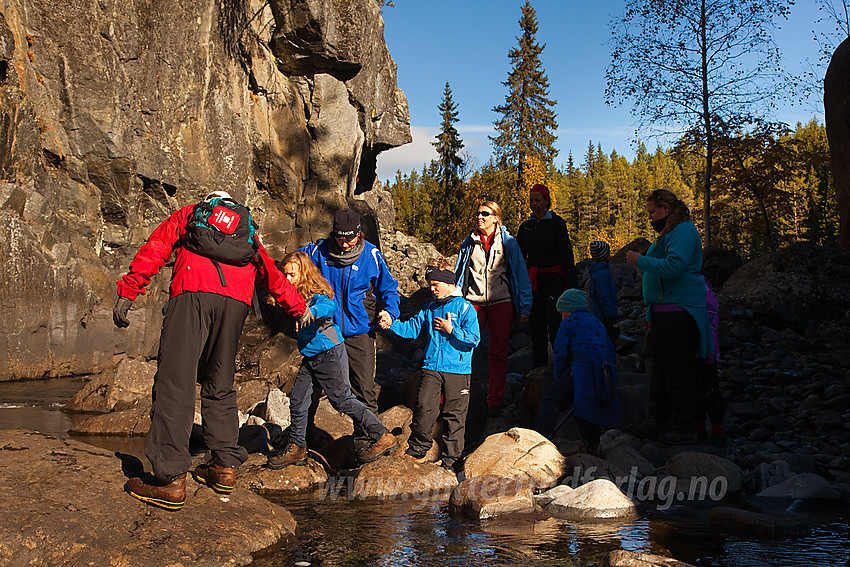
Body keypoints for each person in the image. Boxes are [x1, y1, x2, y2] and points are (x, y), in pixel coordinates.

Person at [113, 190, 306, 511]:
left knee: (176, 382)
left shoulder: (192, 213)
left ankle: (170, 479)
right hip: (235, 304)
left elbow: (158, 246)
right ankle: (224, 465)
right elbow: (269, 270)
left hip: (191, 292)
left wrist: (130, 289)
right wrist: (297, 306)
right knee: (220, 383)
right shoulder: (247, 229)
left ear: (210, 202)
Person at [267, 251, 397, 469]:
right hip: (311, 354)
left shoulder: (317, 292)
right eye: (286, 275)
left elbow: (329, 307)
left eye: (292, 275)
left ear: (304, 274)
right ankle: (297, 446)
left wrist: (310, 312)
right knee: (299, 400)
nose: (288, 279)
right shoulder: (293, 293)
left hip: (329, 351)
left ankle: (382, 435)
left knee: (342, 399)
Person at [300, 209, 400, 457]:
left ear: (359, 234)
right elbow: (294, 264)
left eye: (349, 238)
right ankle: (302, 439)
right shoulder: (317, 251)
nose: (344, 243)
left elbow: (389, 289)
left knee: (363, 388)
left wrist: (390, 312)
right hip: (326, 331)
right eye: (340, 238)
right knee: (313, 384)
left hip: (359, 331)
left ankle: (367, 442)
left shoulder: (372, 255)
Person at [626, 188, 712, 445]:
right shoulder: (669, 233)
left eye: (653, 211)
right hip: (664, 309)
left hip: (680, 309)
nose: (650, 217)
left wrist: (640, 260)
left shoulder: (683, 231)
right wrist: (652, 310)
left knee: (678, 368)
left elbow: (675, 266)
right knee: (660, 368)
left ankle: (684, 426)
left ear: (667, 208)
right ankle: (657, 420)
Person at [379, 259, 480, 471]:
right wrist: (392, 325)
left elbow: (474, 339)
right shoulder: (430, 307)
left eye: (436, 285)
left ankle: (452, 460)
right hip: (431, 366)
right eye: (430, 285)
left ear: (449, 283)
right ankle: (417, 450)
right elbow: (412, 329)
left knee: (454, 415)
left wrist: (452, 330)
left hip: (458, 371)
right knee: (424, 406)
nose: (432, 289)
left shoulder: (465, 308)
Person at [455, 200, 532, 416]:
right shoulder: (468, 243)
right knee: (463, 347)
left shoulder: (509, 243)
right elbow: (460, 274)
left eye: (485, 214)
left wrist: (524, 306)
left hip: (502, 302)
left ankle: (495, 400)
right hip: (473, 302)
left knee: (498, 353)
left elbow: (520, 274)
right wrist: (454, 301)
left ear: (496, 218)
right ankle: (457, 397)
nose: (480, 217)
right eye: (478, 214)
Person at [535, 289, 621, 453]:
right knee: (587, 407)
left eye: (562, 313)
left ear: (569, 310)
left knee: (552, 401)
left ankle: (540, 438)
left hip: (580, 368)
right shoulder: (597, 322)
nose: (561, 316)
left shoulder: (568, 323)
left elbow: (560, 352)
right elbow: (610, 349)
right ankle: (593, 445)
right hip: (602, 370)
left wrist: (560, 376)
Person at [517, 184, 579, 368]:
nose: (534, 204)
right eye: (531, 200)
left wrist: (572, 285)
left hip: (554, 279)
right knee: (536, 325)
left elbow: (566, 254)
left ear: (546, 202)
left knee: (554, 323)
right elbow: (519, 256)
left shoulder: (557, 224)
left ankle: (562, 366)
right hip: (534, 281)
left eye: (537, 200)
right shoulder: (526, 227)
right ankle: (539, 368)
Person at [696, 275, 725, 445]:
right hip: (709, 349)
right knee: (709, 389)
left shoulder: (691, 286)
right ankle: (714, 429)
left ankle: (708, 429)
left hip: (700, 349)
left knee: (701, 389)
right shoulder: (705, 285)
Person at [587, 240, 619, 345]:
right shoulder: (602, 275)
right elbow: (604, 297)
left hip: (598, 317)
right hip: (603, 319)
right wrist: (611, 319)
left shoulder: (596, 272)